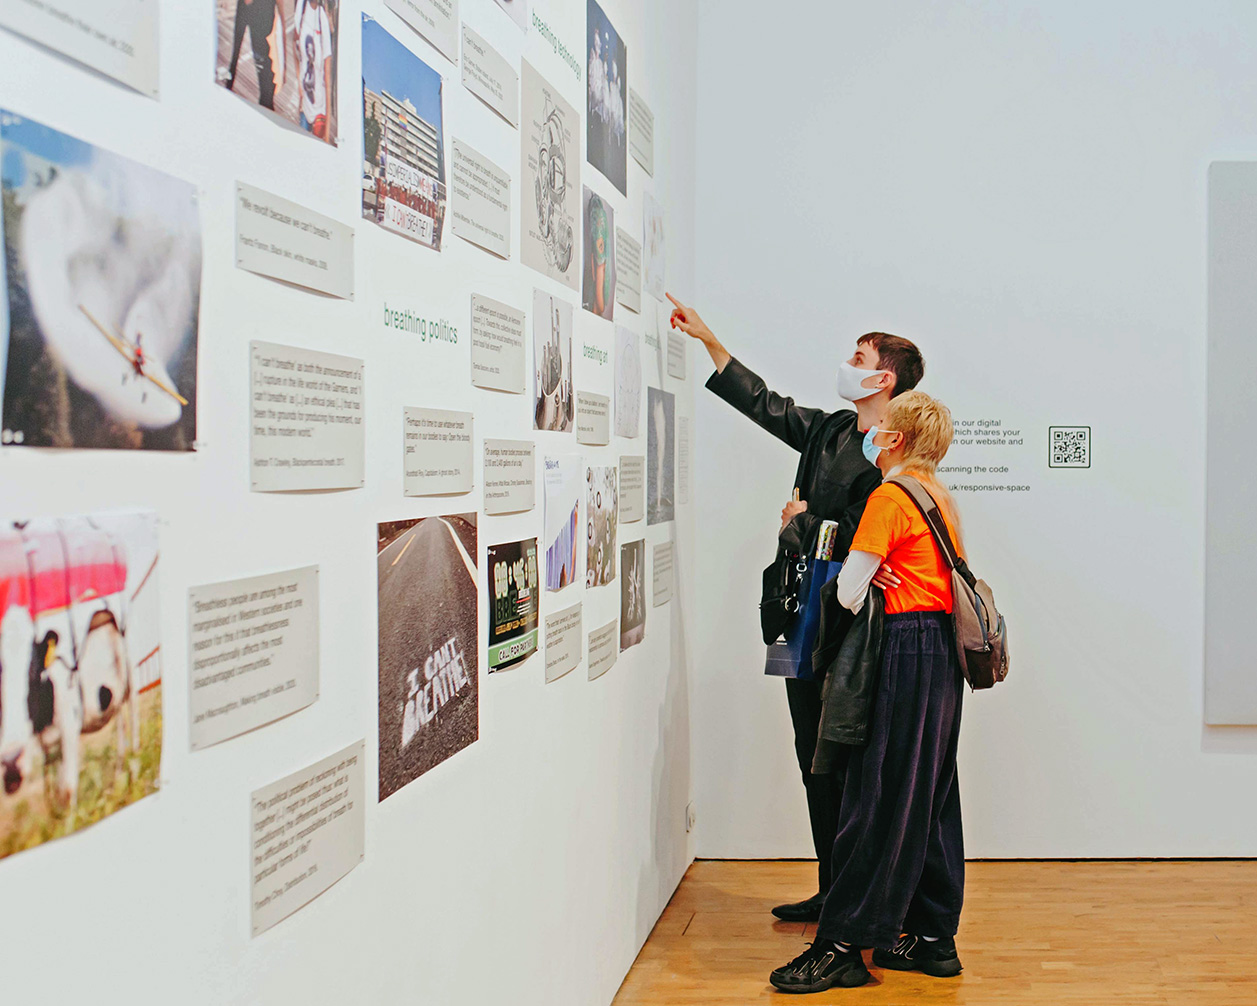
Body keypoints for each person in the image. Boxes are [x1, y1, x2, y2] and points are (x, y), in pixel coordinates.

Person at [666, 293, 925, 923]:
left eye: (857, 357)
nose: (846, 363)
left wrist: (807, 522)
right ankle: (832, 886)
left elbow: (874, 540)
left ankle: (857, 899)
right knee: (811, 753)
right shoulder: (835, 429)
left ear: (882, 377)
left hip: (855, 626)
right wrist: (710, 340)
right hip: (800, 611)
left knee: (845, 761)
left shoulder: (896, 452)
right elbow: (766, 405)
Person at [769, 390, 967, 993]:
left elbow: (851, 591)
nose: (871, 437)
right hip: (941, 657)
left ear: (897, 440)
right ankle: (933, 939)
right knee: (931, 795)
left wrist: (819, 544)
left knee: (874, 794)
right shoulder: (940, 498)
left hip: (901, 651)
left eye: (881, 430)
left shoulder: (889, 497)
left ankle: (843, 944)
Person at [224, 0, 279, 110]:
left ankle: (266, 99)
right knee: (243, 49)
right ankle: (266, 98)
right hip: (255, 6)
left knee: (259, 52)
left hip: (260, 7)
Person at [295, 0, 335, 143]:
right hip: (305, 107)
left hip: (319, 111)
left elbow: (328, 75)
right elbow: (297, 51)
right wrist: (300, 89)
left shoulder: (322, 18)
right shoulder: (300, 9)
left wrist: (327, 133)